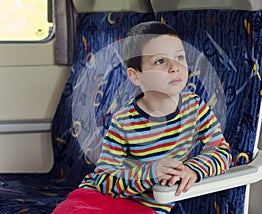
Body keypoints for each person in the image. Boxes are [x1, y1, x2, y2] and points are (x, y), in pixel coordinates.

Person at [53, 21, 232, 214]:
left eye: (180, 57)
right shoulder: (124, 122)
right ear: (136, 76)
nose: (175, 67)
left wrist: (193, 169)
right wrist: (151, 172)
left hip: (146, 207)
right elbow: (104, 180)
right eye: (160, 61)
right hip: (98, 197)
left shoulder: (196, 108)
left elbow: (221, 152)